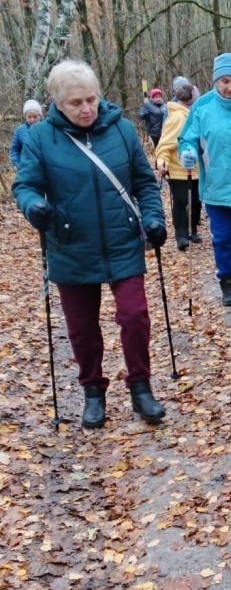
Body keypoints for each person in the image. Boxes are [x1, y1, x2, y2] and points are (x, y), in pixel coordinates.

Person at [12, 59, 167, 429]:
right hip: (71, 244)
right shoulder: (40, 137)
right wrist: (33, 206)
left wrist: (154, 218)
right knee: (82, 328)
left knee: (134, 316)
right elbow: (25, 186)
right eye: (75, 103)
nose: (86, 109)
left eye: (91, 99)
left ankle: (141, 387)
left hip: (122, 239)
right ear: (57, 103)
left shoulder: (122, 130)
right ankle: (93, 391)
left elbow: (144, 183)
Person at [178, 52, 231, 306]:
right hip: (216, 184)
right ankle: (227, 283)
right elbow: (187, 138)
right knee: (223, 239)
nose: (230, 87)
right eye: (225, 81)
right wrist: (188, 152)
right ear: (216, 80)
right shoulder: (202, 106)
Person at [155, 76, 202, 251]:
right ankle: (181, 235)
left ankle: (193, 230)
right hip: (178, 169)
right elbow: (164, 143)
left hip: (197, 170)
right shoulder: (176, 118)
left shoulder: (196, 115)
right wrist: (162, 161)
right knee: (182, 202)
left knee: (196, 201)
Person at [10, 99, 43, 168]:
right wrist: (18, 165)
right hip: (26, 168)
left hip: (45, 169)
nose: (32, 119)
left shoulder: (47, 129)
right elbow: (15, 150)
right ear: (25, 117)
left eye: (35, 116)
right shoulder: (20, 130)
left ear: (40, 116)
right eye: (29, 117)